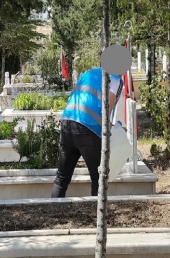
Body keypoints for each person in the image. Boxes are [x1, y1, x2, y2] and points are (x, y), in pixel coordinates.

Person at [51, 64, 122, 198]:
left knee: (62, 177)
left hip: (67, 122)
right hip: (88, 128)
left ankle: (53, 209)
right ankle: (97, 210)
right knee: (98, 177)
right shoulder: (115, 79)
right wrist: (114, 129)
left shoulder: (88, 73)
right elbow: (106, 110)